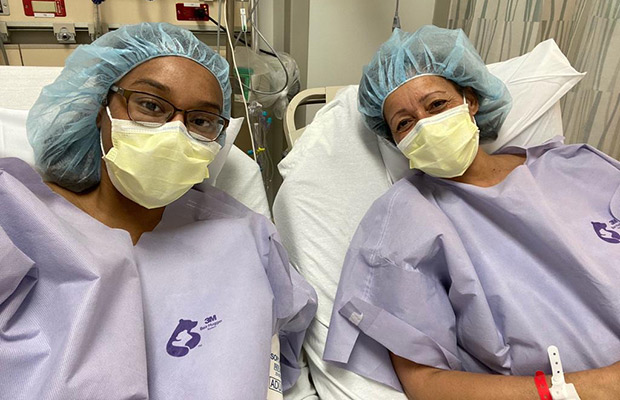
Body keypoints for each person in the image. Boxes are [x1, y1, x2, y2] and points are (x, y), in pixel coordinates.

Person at [0, 23, 317, 399]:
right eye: (151, 105)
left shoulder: (247, 237)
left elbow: (284, 347)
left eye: (200, 120)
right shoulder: (18, 214)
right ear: (101, 108)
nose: (175, 132)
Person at [324, 25, 620, 399]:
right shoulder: (405, 218)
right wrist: (588, 389)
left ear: (471, 100)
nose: (425, 125)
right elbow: (425, 382)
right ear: (396, 142)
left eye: (436, 105)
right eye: (404, 123)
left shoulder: (578, 165)